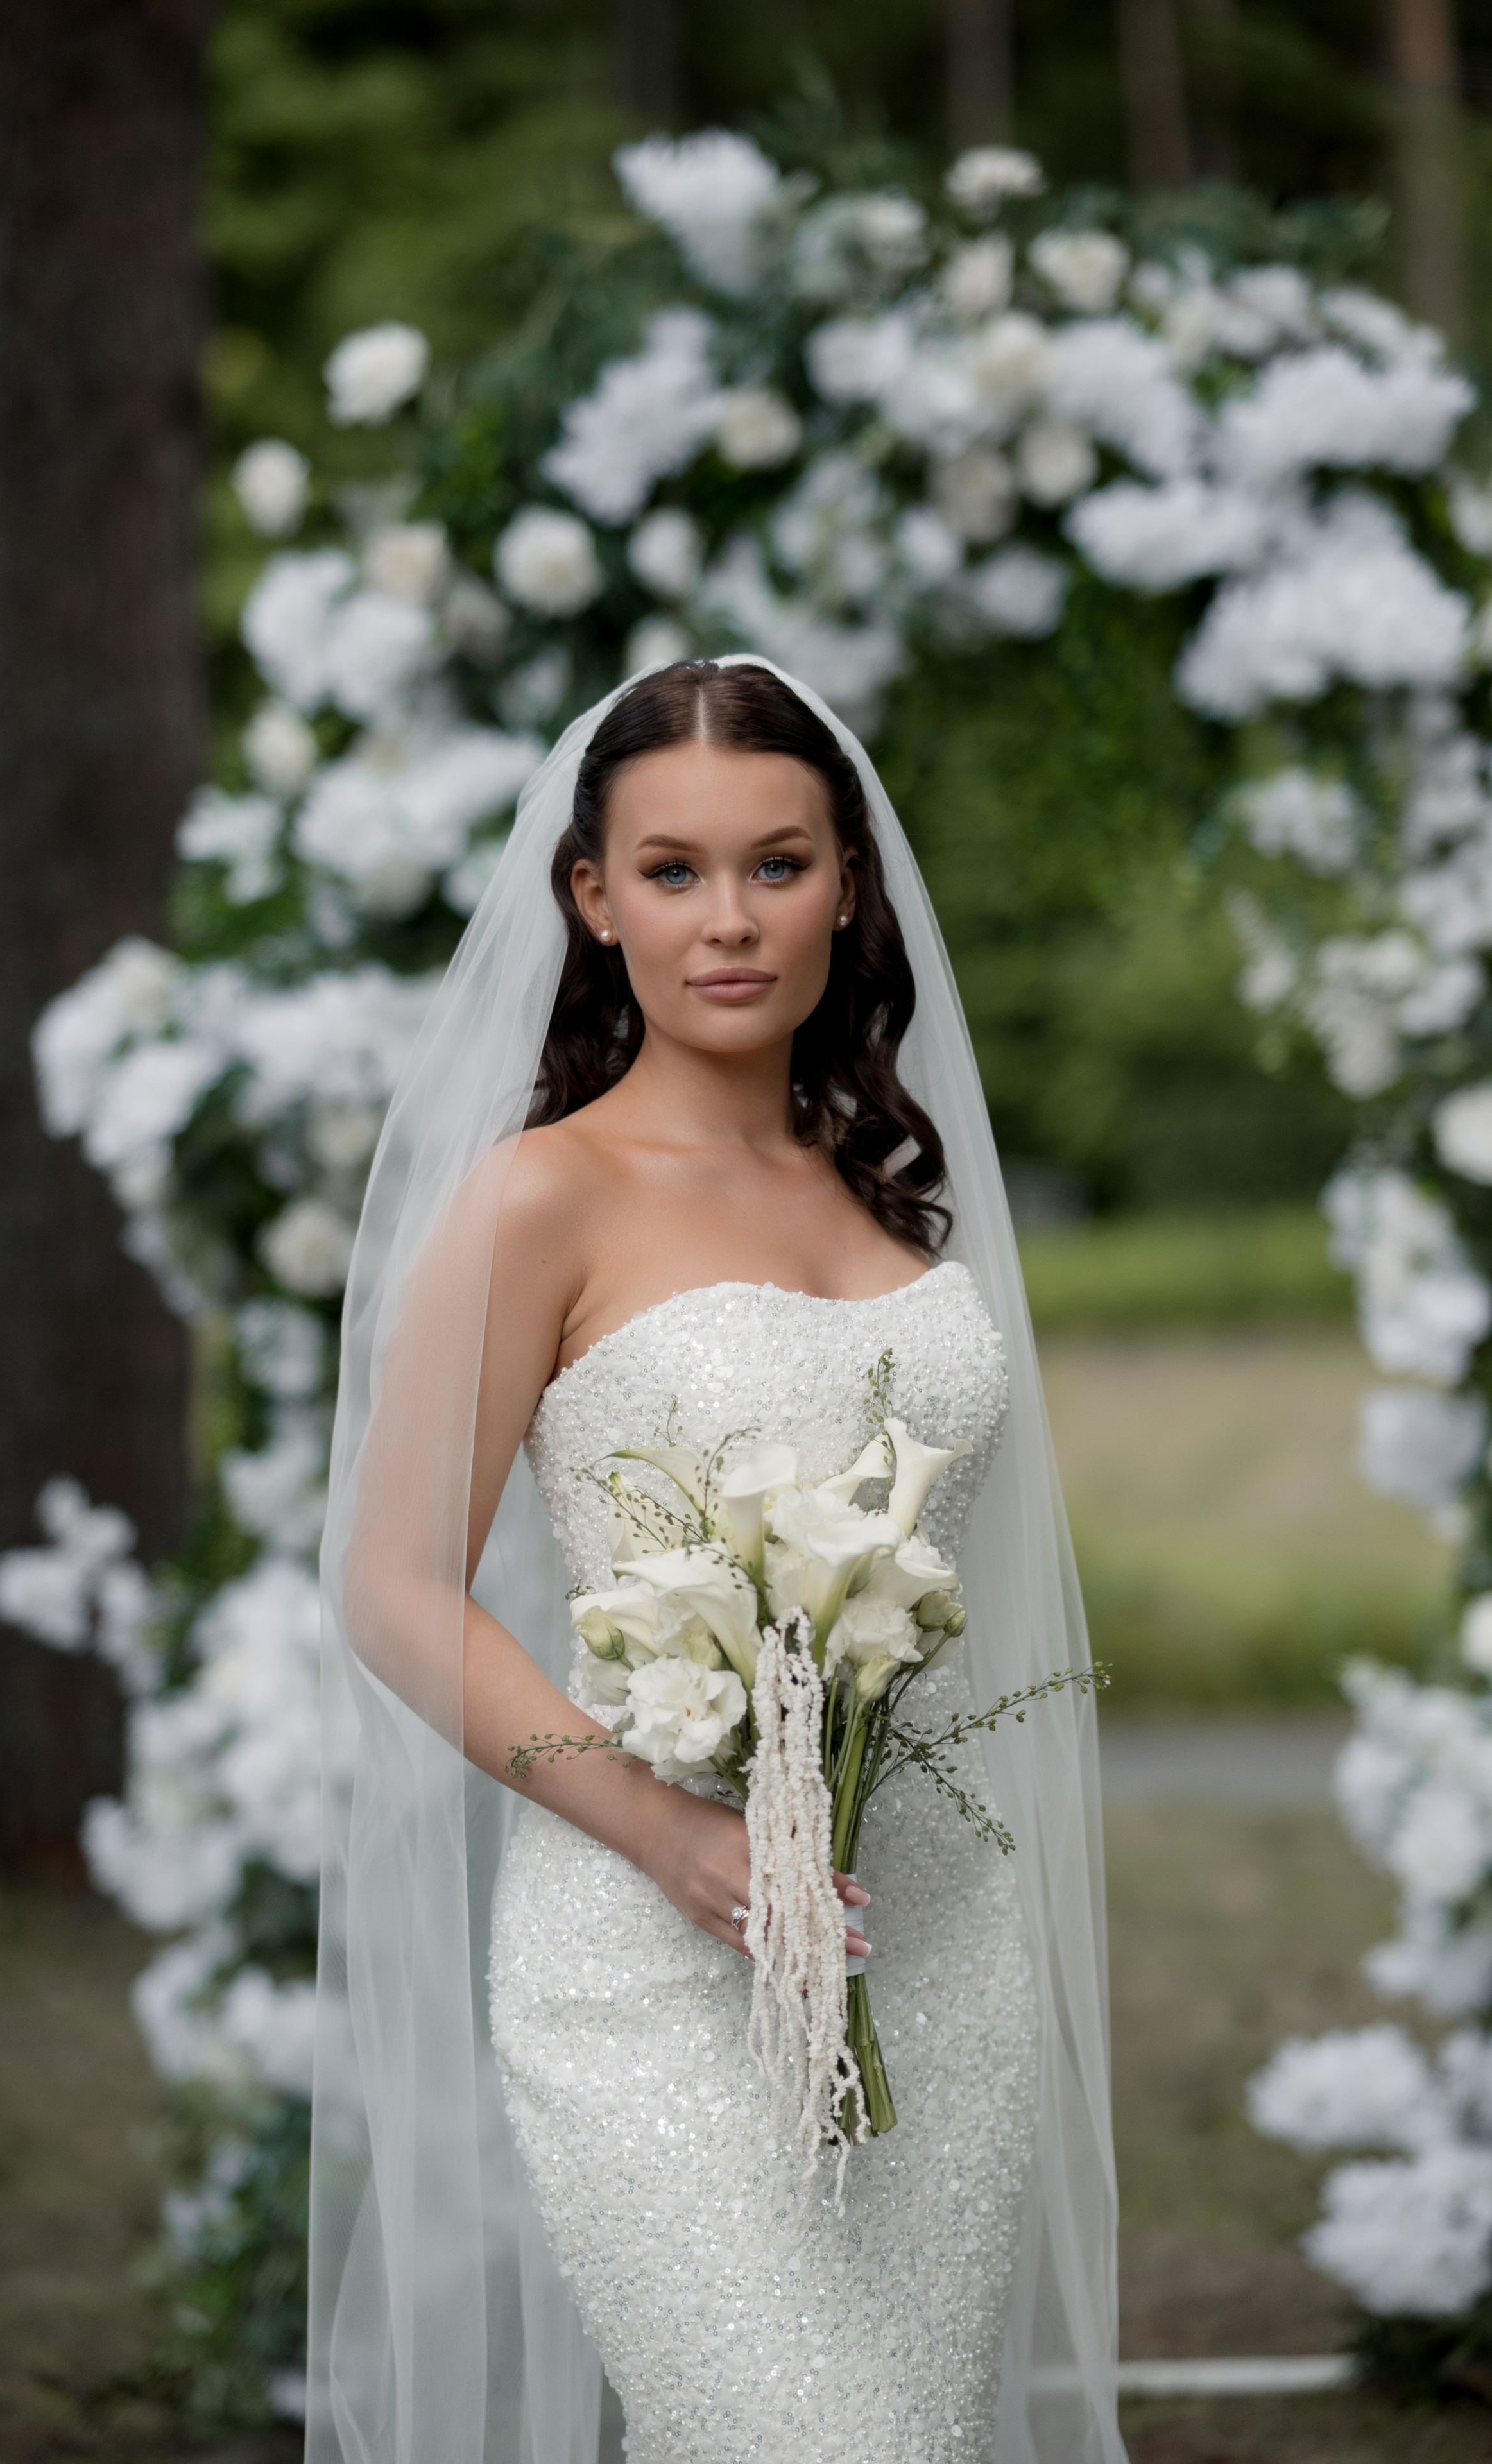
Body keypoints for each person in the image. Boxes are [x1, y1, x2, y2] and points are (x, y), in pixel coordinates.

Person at [307, 659, 1124, 2464]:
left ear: (850, 885)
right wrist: (669, 1830)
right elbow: (386, 1583)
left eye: (779, 864)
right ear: (592, 901)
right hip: (652, 1944)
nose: (730, 920)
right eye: (672, 872)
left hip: (931, 1938)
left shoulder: (892, 1185)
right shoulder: (542, 1200)